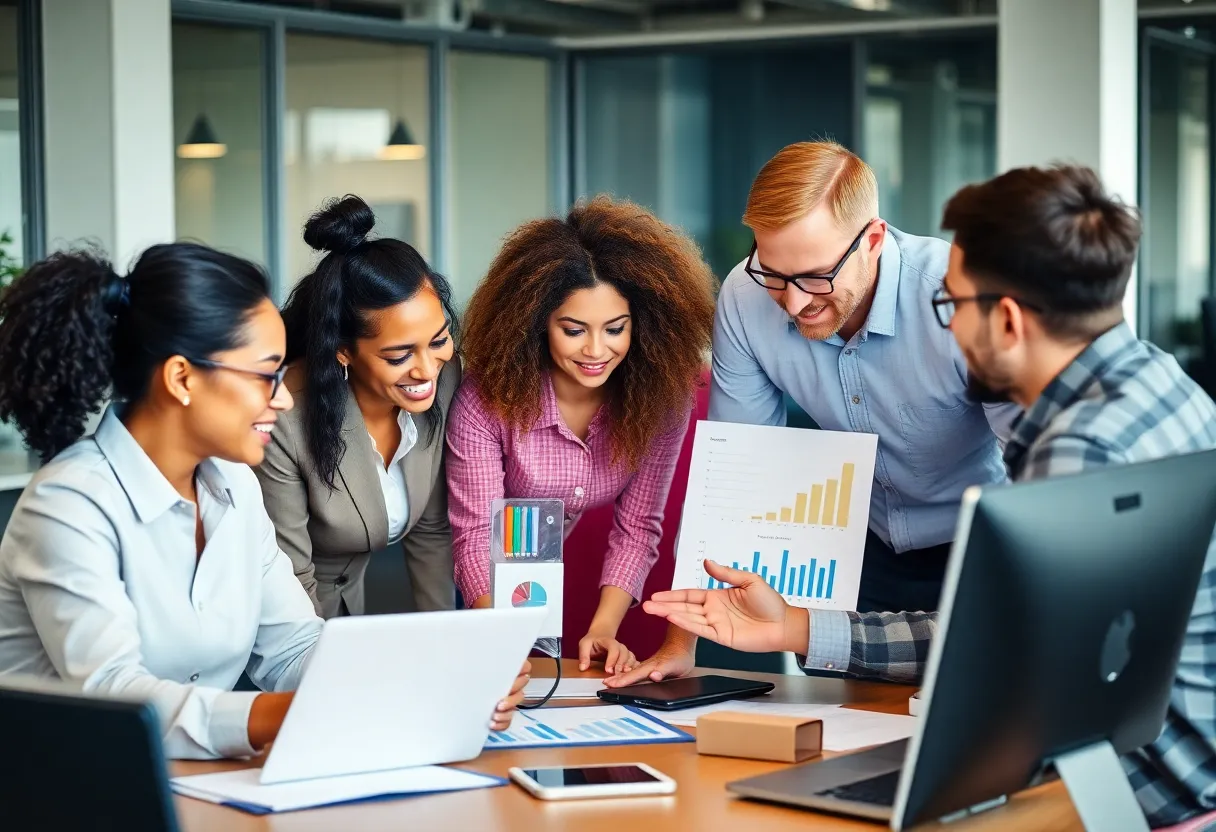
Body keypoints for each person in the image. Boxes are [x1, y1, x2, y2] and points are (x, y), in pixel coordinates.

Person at [633, 165, 1216, 829]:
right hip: (1183, 765)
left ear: (1005, 320)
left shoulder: (1080, 451)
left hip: (1133, 788)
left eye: (952, 305)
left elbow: (990, 652)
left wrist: (798, 629)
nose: (946, 326)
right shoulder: (1164, 386)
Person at [0, 242, 527, 760]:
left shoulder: (232, 484)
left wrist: (435, 683)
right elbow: (114, 696)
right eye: (264, 375)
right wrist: (289, 712)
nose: (282, 396)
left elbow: (295, 647)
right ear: (182, 378)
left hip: (193, 782)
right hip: (66, 788)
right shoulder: (69, 503)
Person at [616, 139, 1018, 683]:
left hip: (984, 551)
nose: (796, 302)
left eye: (816, 278)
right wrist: (683, 641)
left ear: (873, 239)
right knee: (856, 736)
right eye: (775, 275)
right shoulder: (744, 297)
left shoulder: (960, 300)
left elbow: (1040, 466)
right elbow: (740, 475)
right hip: (864, 551)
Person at [447, 196, 716, 675]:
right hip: (468, 576)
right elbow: (473, 537)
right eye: (573, 330)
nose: (596, 350)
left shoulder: (662, 399)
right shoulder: (487, 399)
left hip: (529, 566)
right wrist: (500, 640)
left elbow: (638, 527)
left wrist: (603, 629)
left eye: (615, 328)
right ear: (537, 324)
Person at [255, 195, 461, 618]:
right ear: (344, 352)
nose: (426, 370)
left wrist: (446, 645)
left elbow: (431, 532)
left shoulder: (446, 378)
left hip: (357, 606)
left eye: (438, 341)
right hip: (289, 621)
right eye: (399, 355)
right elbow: (289, 572)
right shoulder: (284, 418)